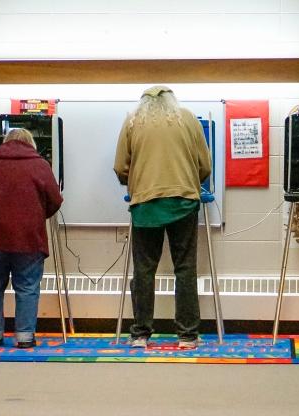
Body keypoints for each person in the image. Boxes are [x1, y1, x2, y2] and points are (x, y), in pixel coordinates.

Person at [113, 86, 212, 350]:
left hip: (145, 204)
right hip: (183, 201)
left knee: (144, 270)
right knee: (185, 268)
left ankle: (140, 334)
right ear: (172, 101)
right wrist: (189, 182)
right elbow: (205, 164)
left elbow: (120, 166)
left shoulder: (133, 120)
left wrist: (135, 182)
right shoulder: (188, 118)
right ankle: (187, 336)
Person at [0, 128, 63, 349]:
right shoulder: (41, 165)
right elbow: (55, 200)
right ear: (31, 143)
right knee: (28, 286)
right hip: (29, 238)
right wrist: (39, 215)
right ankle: (24, 337)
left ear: (5, 142)